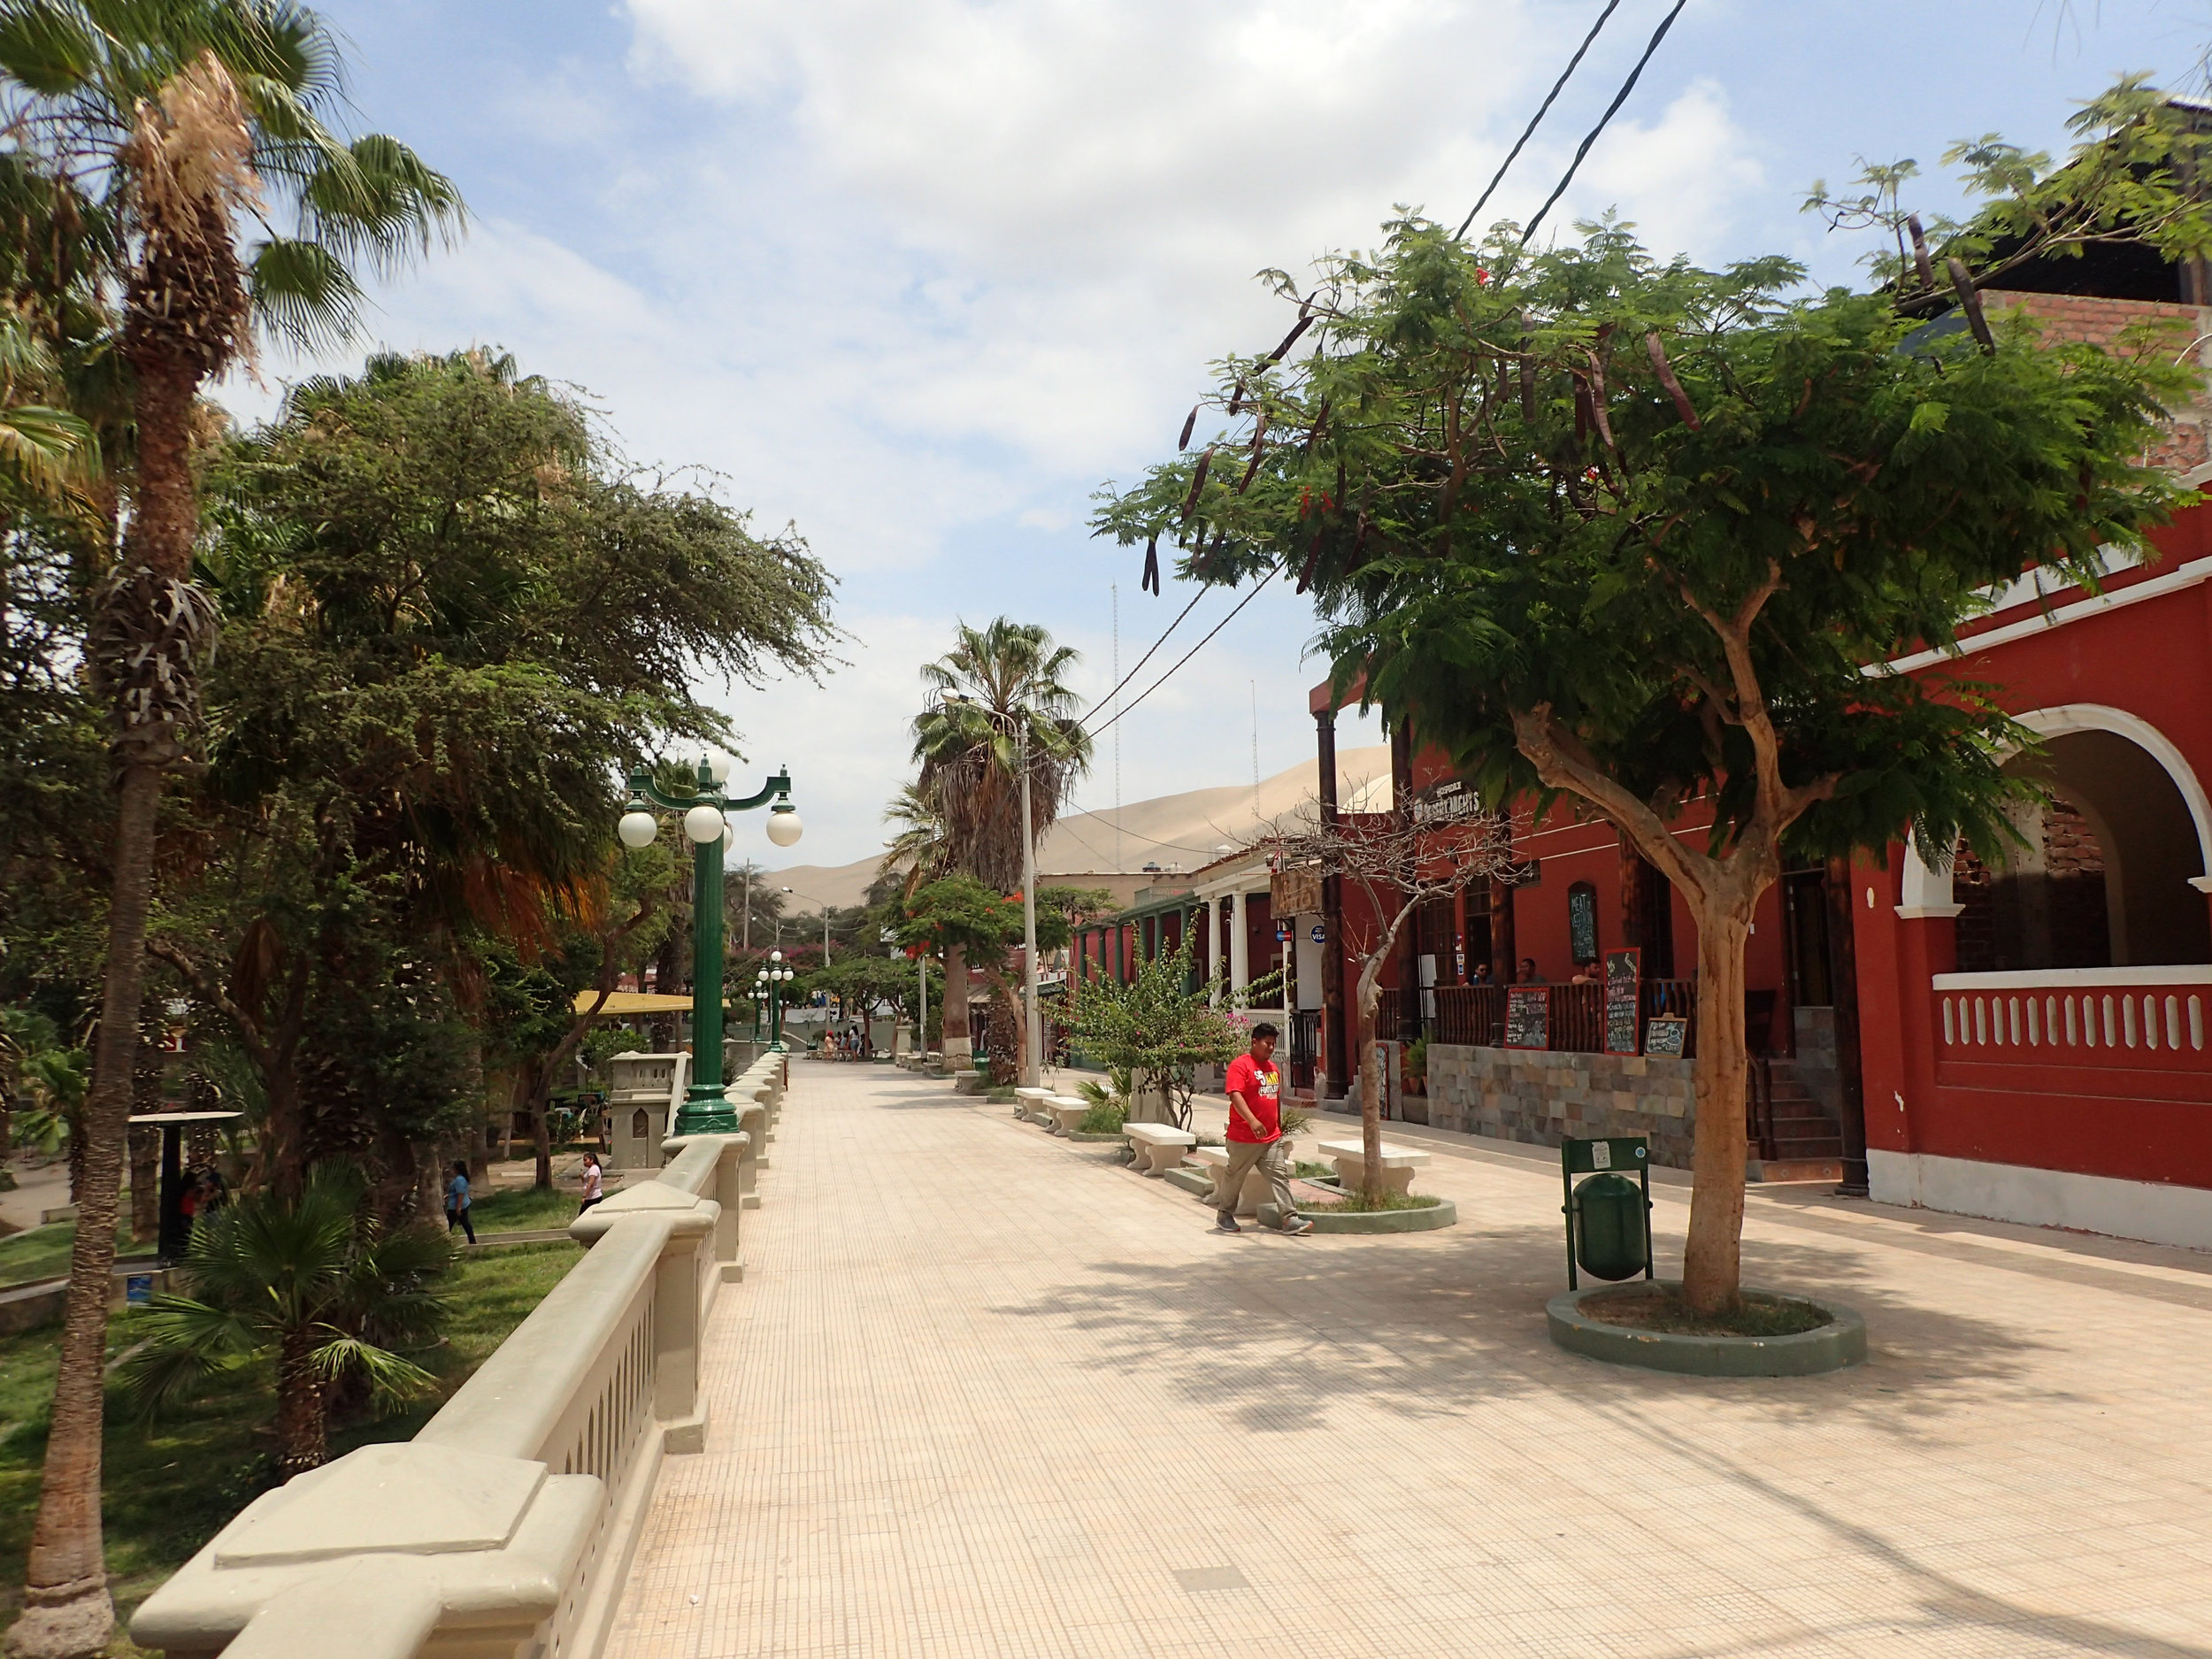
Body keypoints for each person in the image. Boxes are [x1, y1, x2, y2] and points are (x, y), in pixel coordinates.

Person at [1216, 1022, 1314, 1236]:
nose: (1270, 1048)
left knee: (1280, 1176)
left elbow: (1274, 1099)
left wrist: (1278, 1125)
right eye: (1266, 1043)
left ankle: (1290, 1219)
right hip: (1243, 1137)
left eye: (1273, 1044)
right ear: (1254, 1042)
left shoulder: (1273, 1068)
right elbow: (1235, 1095)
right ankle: (1224, 1214)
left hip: (1271, 1138)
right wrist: (1252, 1121)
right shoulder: (1240, 1065)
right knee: (1234, 1177)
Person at [444, 1161, 476, 1244]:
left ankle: (444, 1242)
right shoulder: (460, 1179)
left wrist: (458, 1207)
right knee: (464, 1222)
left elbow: (460, 1193)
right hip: (460, 1204)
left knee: (449, 1224)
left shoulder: (459, 1179)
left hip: (457, 1206)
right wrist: (449, 1196)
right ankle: (472, 1240)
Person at [578, 1151, 604, 1216]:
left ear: (591, 1160)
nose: (584, 1162)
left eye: (585, 1160)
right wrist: (582, 1177)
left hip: (593, 1197)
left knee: (583, 1216)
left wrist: (584, 1196)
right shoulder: (592, 1169)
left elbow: (590, 1184)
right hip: (591, 1196)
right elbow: (586, 1183)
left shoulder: (593, 1169)